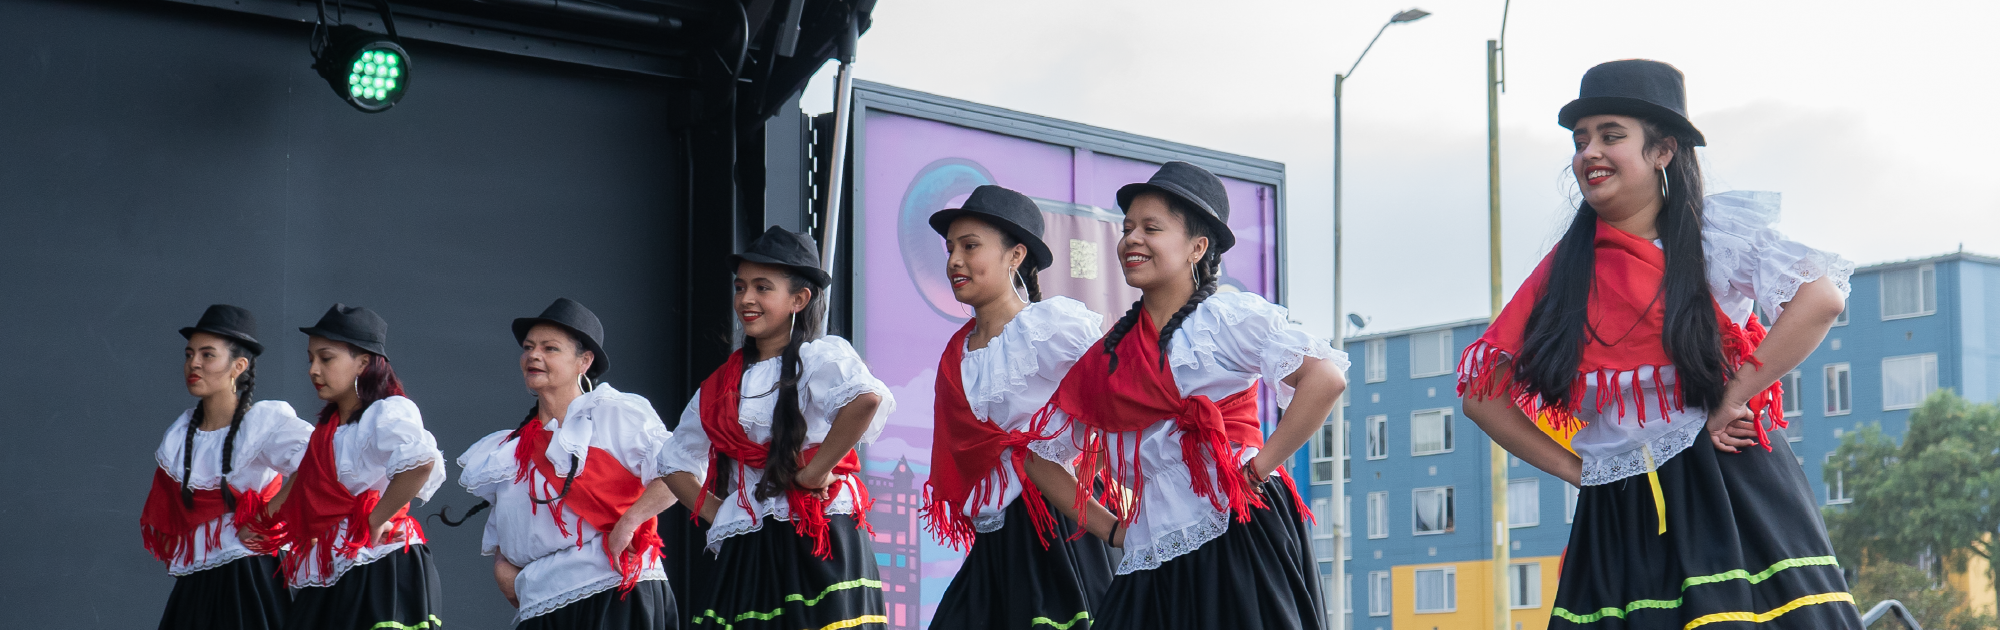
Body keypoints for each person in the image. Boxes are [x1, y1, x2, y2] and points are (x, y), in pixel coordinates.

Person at [1457, 60, 1861, 629]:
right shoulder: (1562, 274)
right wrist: (1583, 472)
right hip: (1618, 508)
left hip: (1726, 488)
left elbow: (1820, 299)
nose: (1589, 152)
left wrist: (1730, 398)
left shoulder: (1712, 238)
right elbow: (1481, 396)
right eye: (1581, 140)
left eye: (1611, 136)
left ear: (1663, 151)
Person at [1028, 162, 1349, 630]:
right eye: (1127, 228)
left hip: (1238, 523)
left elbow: (1325, 379)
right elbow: (1040, 458)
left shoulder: (1223, 318)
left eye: (1151, 228)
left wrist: (1260, 467)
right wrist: (1111, 528)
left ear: (1197, 247)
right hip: (1152, 542)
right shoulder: (1107, 356)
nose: (1131, 239)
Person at [659, 226, 895, 630]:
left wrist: (814, 472)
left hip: (815, 531)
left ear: (798, 300)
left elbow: (865, 400)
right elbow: (673, 462)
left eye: (762, 288)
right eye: (740, 287)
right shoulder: (720, 386)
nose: (746, 299)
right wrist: (723, 513)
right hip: (750, 538)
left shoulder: (817, 358)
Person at [919, 185, 1115, 629]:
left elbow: (1119, 402)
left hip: (1058, 527)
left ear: (1015, 256)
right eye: (950, 248)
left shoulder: (1050, 326)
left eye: (970, 246)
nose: (954, 260)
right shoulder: (958, 353)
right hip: (997, 537)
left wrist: (1081, 461)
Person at [448, 298, 679, 628]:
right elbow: (508, 525)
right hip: (543, 602)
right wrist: (501, 564)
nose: (534, 355)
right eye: (528, 347)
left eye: (550, 348)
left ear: (584, 361)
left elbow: (679, 472)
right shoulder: (510, 448)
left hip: (613, 591)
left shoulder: (613, 414)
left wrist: (630, 522)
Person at [251, 304, 447, 630]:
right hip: (333, 570)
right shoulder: (327, 434)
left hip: (379, 567)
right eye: (310, 359)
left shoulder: (383, 414)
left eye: (326, 359)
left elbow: (420, 462)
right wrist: (261, 521)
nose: (314, 369)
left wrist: (376, 517)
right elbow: (306, 489)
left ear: (364, 362)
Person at [144, 304, 312, 630]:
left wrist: (265, 517)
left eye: (208, 355)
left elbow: (318, 459)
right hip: (197, 576)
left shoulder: (261, 424)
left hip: (247, 575)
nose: (193, 363)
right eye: (190, 353)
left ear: (238, 366)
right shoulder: (181, 434)